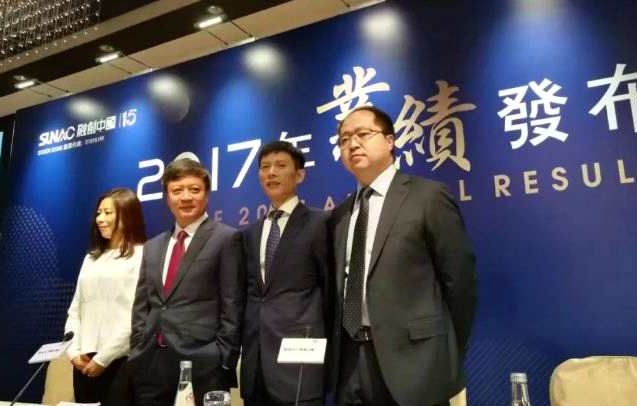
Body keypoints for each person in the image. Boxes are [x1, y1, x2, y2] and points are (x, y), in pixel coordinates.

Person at [328, 106, 477, 406]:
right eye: (344, 139)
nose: (352, 144)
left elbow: (460, 283)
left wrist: (442, 354)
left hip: (416, 365)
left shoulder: (427, 196)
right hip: (350, 364)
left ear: (390, 141)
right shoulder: (340, 214)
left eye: (362, 134)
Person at [129, 158, 244, 406]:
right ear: (167, 197)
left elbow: (233, 304)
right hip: (152, 363)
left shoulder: (226, 238)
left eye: (194, 189)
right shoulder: (153, 246)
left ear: (207, 195)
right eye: (177, 190)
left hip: (204, 365)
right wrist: (138, 346)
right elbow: (143, 304)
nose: (186, 197)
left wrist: (221, 357)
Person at [240, 141, 330, 406]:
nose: (271, 173)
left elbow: (330, 290)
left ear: (299, 175)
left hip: (300, 361)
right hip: (256, 362)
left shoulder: (321, 223)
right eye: (265, 167)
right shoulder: (250, 232)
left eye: (280, 166)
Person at [65, 187, 147, 404]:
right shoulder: (90, 258)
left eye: (108, 213)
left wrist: (103, 358)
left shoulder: (142, 255)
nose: (100, 219)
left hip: (120, 361)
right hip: (83, 362)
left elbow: (136, 316)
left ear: (128, 215)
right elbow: (75, 309)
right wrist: (73, 351)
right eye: (99, 213)